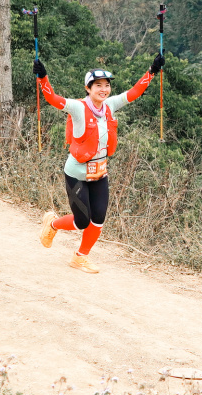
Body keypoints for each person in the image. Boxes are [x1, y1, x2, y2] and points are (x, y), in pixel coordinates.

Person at [35, 56, 162, 273]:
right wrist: (43, 77)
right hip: (77, 172)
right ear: (88, 88)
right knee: (81, 222)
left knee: (98, 219)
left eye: (107, 85)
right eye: (98, 86)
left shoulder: (110, 106)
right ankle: (53, 223)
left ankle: (80, 257)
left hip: (100, 172)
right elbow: (53, 99)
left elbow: (134, 93)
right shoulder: (78, 107)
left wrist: (152, 71)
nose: (104, 90)